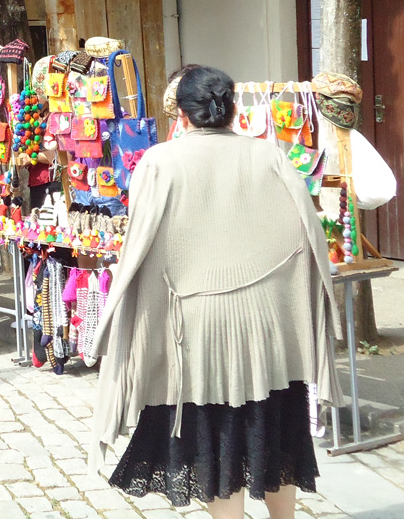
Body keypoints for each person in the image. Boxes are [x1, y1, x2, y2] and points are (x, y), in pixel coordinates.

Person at [92, 66, 340, 519]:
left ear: (182, 116)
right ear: (230, 112)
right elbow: (306, 237)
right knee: (278, 432)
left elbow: (144, 249)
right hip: (269, 332)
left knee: (219, 444)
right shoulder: (270, 156)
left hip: (199, 333)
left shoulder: (159, 161)